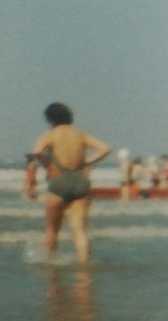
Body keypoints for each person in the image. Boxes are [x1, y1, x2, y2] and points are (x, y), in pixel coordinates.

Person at [31, 101, 111, 262]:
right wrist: (87, 162)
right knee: (79, 230)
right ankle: (85, 264)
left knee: (52, 229)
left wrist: (48, 164)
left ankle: (50, 263)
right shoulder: (80, 134)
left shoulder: (50, 135)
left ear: (50, 119)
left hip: (59, 180)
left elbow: (37, 151)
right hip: (80, 181)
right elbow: (105, 148)